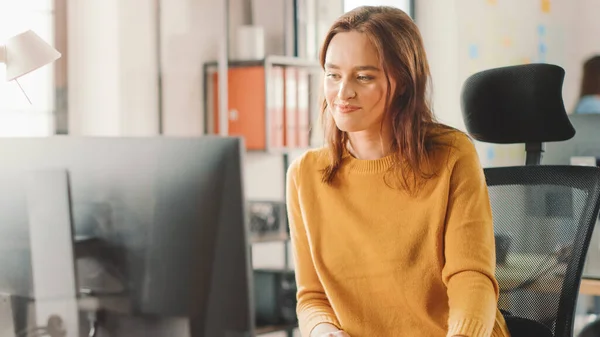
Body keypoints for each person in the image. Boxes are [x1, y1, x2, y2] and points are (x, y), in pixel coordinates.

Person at [285, 6, 511, 337]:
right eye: (333, 74)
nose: (342, 93)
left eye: (363, 77)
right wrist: (324, 331)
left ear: (403, 82)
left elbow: (471, 276)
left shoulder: (451, 156)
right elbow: (313, 297)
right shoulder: (305, 176)